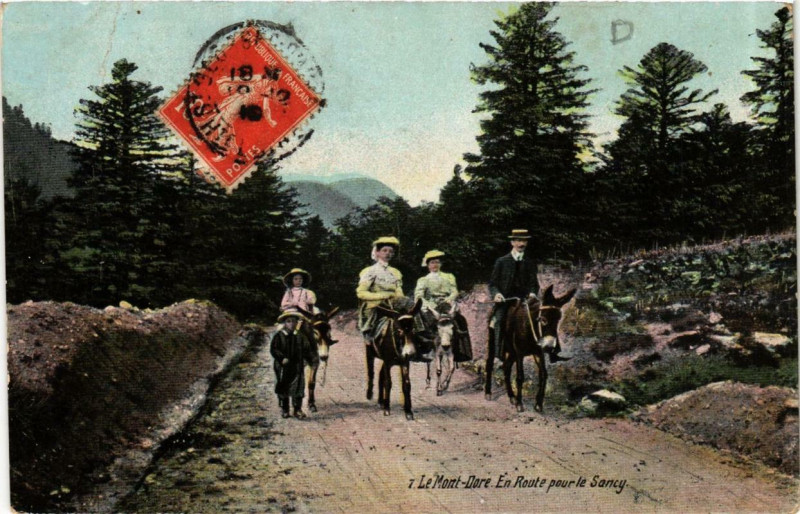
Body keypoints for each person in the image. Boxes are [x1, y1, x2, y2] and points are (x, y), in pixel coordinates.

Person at [488, 229, 568, 363]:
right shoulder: (501, 261)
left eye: (524, 241)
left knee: (547, 316)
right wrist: (497, 294)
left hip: (526, 301)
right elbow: (493, 284)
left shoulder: (529, 262)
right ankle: (498, 354)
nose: (521, 243)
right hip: (507, 301)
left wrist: (532, 293)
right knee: (499, 320)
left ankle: (553, 352)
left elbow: (534, 284)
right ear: (512, 242)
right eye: (518, 240)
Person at [414, 250, 469, 361]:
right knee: (423, 321)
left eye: (437, 262)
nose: (435, 265)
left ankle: (461, 350)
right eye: (432, 263)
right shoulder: (423, 280)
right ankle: (427, 348)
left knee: (459, 320)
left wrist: (449, 299)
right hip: (431, 304)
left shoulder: (449, 277)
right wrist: (429, 305)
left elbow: (454, 291)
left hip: (446, 302)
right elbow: (419, 296)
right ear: (428, 265)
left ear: (441, 264)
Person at [270, 311, 319, 419]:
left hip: (297, 365)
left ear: (297, 323)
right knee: (284, 386)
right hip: (283, 366)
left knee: (298, 387)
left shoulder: (300, 337)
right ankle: (285, 409)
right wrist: (281, 358)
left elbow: (307, 349)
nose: (291, 324)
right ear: (284, 323)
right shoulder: (279, 336)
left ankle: (297, 409)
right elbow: (274, 349)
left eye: (294, 321)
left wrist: (311, 359)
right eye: (288, 321)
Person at [356, 237, 405, 341]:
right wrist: (383, 295)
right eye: (384, 250)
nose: (388, 253)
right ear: (377, 253)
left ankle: (420, 333)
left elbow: (399, 291)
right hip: (375, 303)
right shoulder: (370, 271)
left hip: (393, 303)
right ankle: (369, 335)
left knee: (411, 308)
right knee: (374, 312)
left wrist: (400, 298)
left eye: (391, 251)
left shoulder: (395, 272)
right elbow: (361, 293)